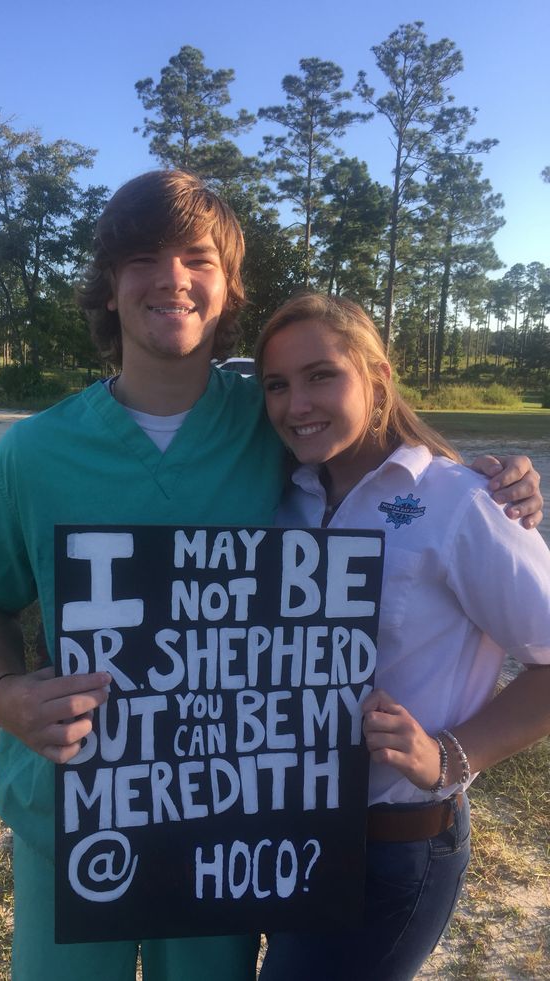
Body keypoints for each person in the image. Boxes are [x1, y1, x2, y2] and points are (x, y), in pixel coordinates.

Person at [0, 171, 542, 981]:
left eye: (197, 257)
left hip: (231, 822)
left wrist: (500, 485)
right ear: (108, 289)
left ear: (227, 290)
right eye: (142, 257)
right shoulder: (32, 453)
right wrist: (5, 694)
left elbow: (371, 441)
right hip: (72, 813)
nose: (172, 276)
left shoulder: (267, 422)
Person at [254, 292, 550, 981]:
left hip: (392, 850)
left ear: (378, 379)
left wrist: (451, 756)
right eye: (277, 384)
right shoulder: (283, 496)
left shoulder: (461, 502)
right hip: (284, 834)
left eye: (321, 374)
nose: (296, 403)